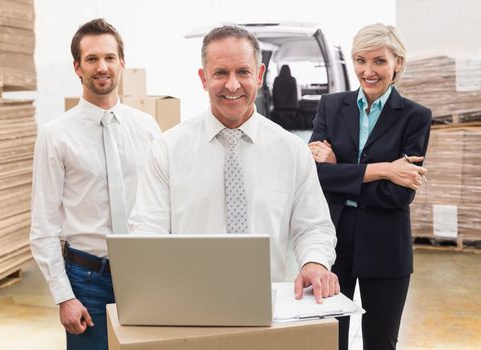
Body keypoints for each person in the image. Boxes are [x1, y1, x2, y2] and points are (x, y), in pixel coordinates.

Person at [128, 25, 339, 303]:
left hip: (270, 305)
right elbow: (147, 228)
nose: (232, 85)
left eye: (243, 72)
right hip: (190, 303)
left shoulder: (291, 151)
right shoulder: (167, 150)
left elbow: (313, 225)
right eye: (220, 73)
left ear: (259, 75)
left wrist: (314, 262)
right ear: (204, 78)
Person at [30, 19, 160, 350]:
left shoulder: (147, 128)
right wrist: (64, 296)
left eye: (109, 58)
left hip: (145, 273)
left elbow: (163, 202)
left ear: (122, 64)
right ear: (77, 67)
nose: (101, 67)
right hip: (88, 280)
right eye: (91, 59)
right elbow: (43, 226)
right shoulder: (55, 135)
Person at [308, 23, 432, 350]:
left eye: (379, 61)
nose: (368, 70)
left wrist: (340, 171)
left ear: (397, 64)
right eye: (360, 60)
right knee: (327, 341)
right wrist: (384, 170)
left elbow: (399, 193)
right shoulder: (331, 107)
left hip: (387, 246)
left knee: (380, 343)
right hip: (333, 243)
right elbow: (316, 177)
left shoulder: (415, 117)